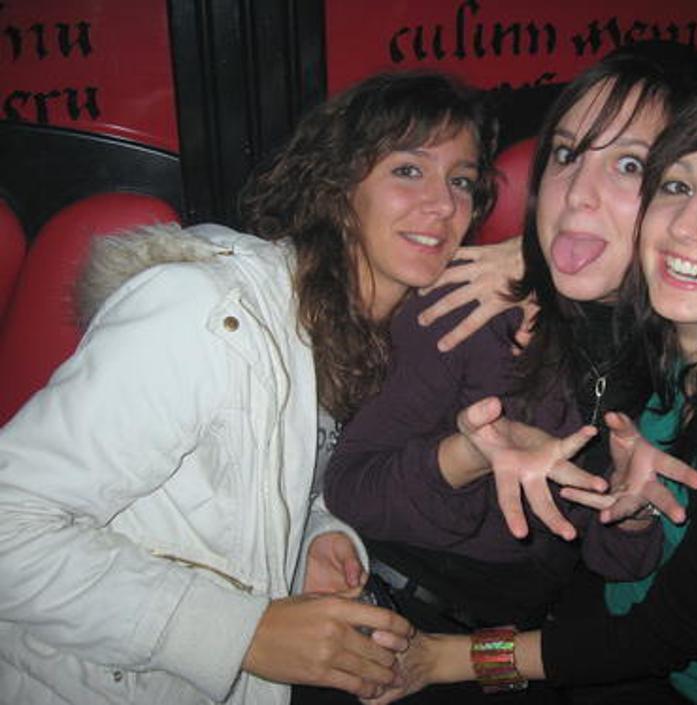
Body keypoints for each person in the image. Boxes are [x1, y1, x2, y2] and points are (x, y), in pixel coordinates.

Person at [375, 80, 697, 704]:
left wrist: (449, 660)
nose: (686, 226)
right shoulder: (673, 330)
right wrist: (530, 255)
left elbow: (656, 640)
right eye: (675, 187)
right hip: (612, 609)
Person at [0, 70, 498, 705]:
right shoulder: (205, 315)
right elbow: (10, 526)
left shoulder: (366, 337)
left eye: (461, 181)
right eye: (408, 170)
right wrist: (241, 633)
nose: (444, 205)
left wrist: (316, 536)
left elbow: (271, 473)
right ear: (338, 185)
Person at [301, 44, 697, 705]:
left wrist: (632, 514)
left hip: (504, 646)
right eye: (567, 154)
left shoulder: (674, 351)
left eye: (629, 164)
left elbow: (610, 561)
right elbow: (350, 488)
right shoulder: (476, 312)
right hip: (384, 622)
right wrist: (466, 455)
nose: (577, 192)